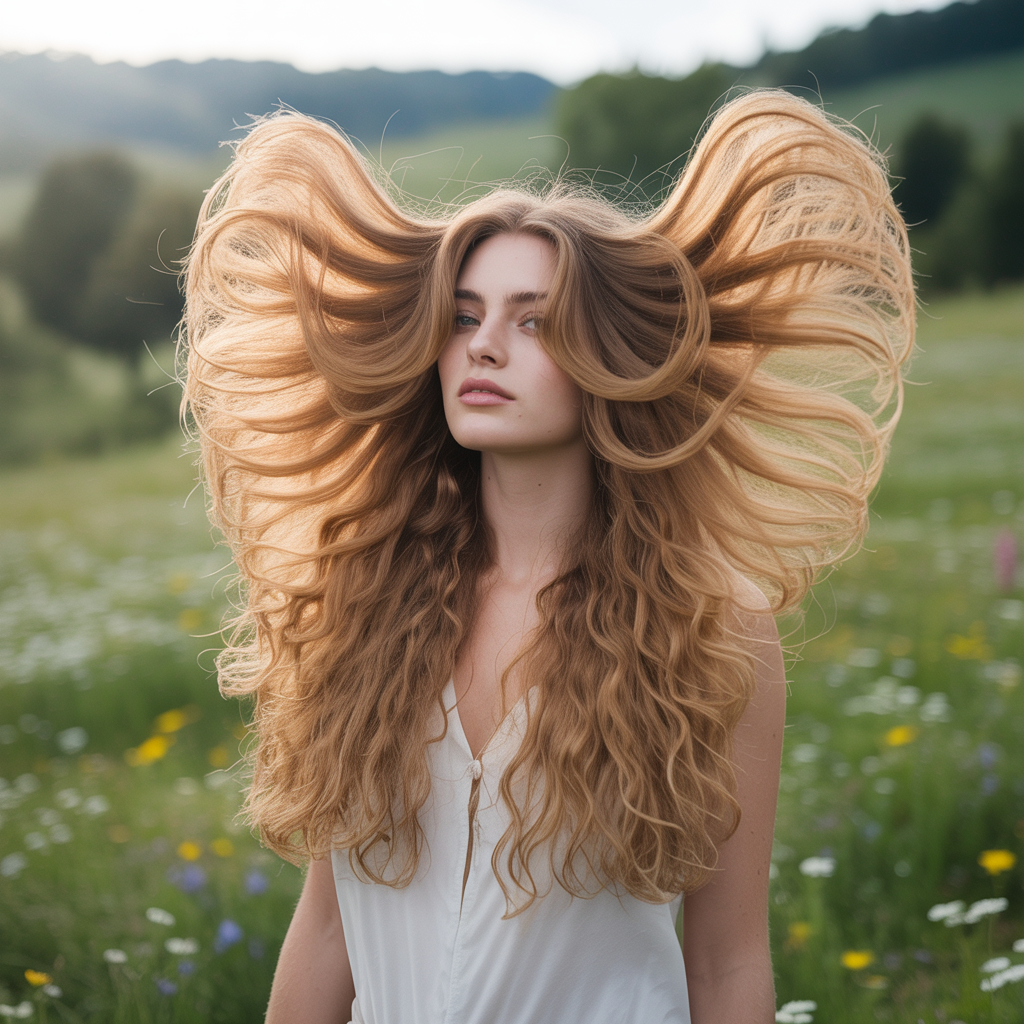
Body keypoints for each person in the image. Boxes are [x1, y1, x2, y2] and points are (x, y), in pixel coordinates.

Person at [182, 89, 914, 1024]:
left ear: (611, 355)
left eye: (533, 321)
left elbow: (726, 966)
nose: (483, 346)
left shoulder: (714, 626)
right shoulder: (361, 601)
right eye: (463, 316)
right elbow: (328, 929)